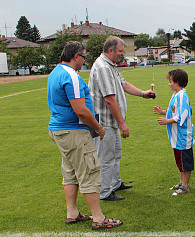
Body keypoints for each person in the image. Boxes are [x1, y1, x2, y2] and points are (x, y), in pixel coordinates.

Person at [47, 41, 122, 230]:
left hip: (60, 130)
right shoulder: (71, 75)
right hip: (73, 131)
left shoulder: (55, 72)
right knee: (89, 172)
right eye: (84, 57)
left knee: (70, 172)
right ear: (76, 56)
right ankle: (99, 218)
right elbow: (81, 110)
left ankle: (72, 213)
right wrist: (98, 128)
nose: (85, 61)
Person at [89, 36, 156, 201]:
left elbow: (123, 84)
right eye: (120, 51)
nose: (122, 54)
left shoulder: (110, 65)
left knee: (115, 153)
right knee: (105, 157)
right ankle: (104, 192)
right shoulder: (103, 68)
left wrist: (143, 93)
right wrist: (122, 124)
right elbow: (109, 99)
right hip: (104, 123)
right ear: (110, 50)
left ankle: (115, 183)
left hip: (111, 122)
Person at [153, 69, 195, 195]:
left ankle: (185, 186)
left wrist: (167, 120)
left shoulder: (182, 96)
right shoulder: (176, 95)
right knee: (179, 160)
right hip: (177, 137)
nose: (169, 84)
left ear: (177, 82)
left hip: (182, 136)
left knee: (185, 161)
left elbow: (182, 116)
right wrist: (163, 112)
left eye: (170, 81)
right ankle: (182, 182)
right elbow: (174, 111)